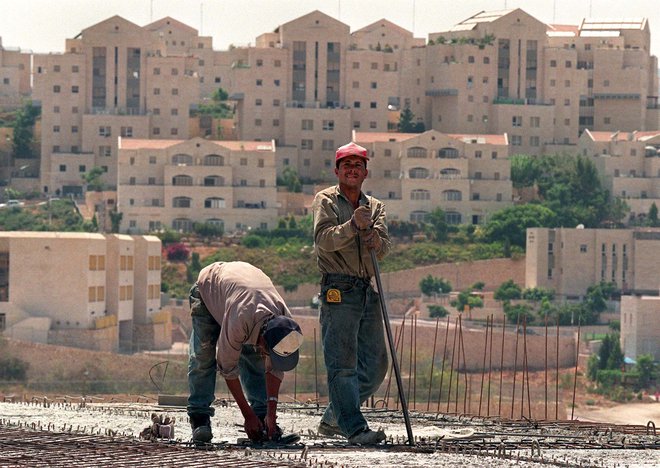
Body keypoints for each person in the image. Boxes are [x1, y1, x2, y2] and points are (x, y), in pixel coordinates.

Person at [312, 141, 392, 445]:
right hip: (338, 290)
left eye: (358, 165)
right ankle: (355, 429)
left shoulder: (376, 207)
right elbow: (324, 242)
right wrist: (351, 226)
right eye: (347, 165)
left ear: (365, 172)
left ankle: (335, 416)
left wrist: (374, 238)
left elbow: (383, 248)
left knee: (374, 365)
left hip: (365, 289)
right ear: (337, 171)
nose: (352, 170)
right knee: (342, 363)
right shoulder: (326, 201)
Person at [186, 261, 304, 444]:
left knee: (254, 359)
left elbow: (274, 368)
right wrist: (247, 415)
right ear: (264, 341)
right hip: (208, 290)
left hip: (241, 295)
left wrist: (271, 413)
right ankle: (199, 417)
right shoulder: (240, 321)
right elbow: (227, 368)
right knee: (203, 355)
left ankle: (263, 418)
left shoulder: (284, 323)